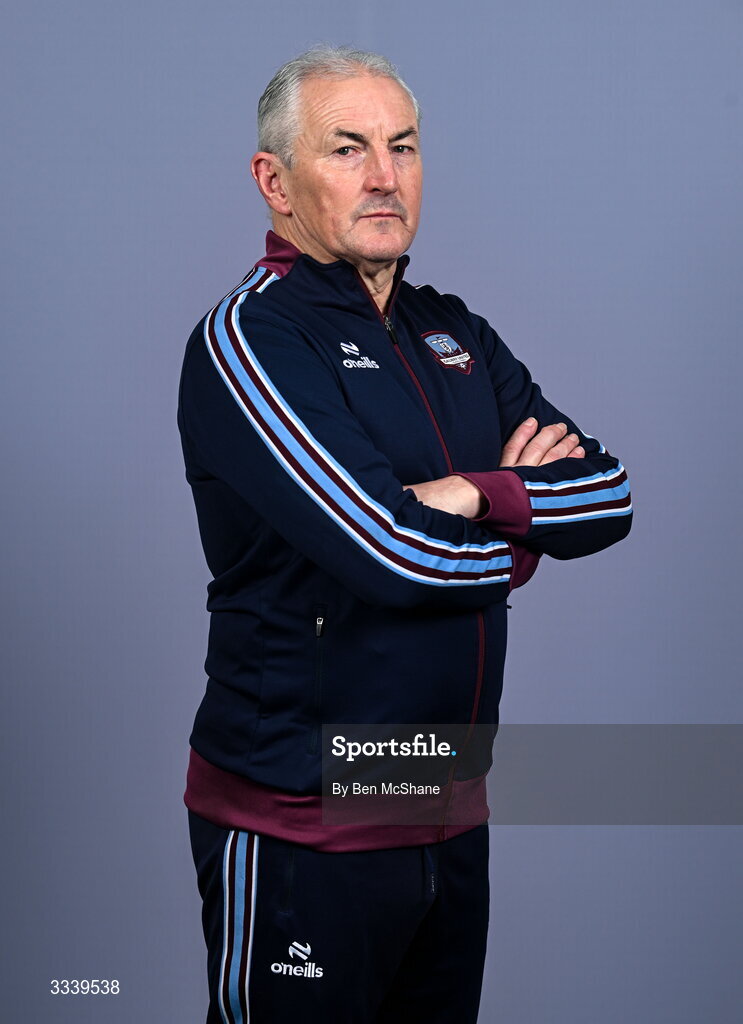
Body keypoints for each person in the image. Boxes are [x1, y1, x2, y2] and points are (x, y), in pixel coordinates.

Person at [177, 45, 632, 1024]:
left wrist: (469, 495)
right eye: (347, 148)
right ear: (275, 181)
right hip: (303, 819)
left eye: (403, 146)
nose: (384, 175)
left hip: (443, 814)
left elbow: (607, 498)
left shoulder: (452, 333)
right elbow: (393, 557)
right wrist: (518, 517)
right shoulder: (253, 342)